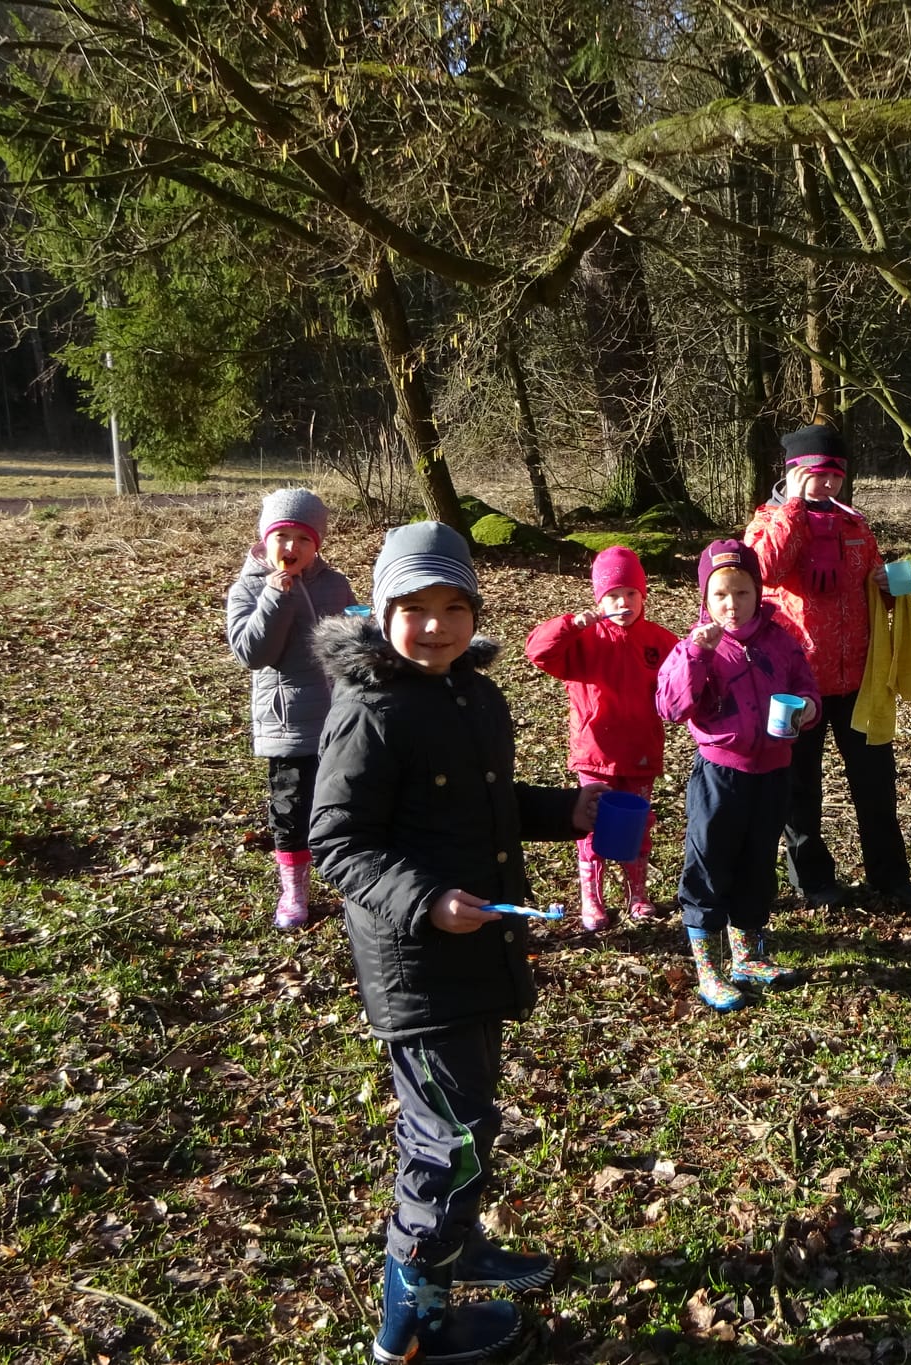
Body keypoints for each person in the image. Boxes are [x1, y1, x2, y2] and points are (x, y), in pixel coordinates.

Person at [309, 522, 605, 1364]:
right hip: (418, 963)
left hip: (479, 947)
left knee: (466, 1112)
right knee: (454, 1135)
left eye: (453, 606)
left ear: (475, 611)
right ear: (382, 612)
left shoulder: (474, 695)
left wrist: (564, 811)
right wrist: (427, 900)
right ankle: (410, 1328)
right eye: (415, 608)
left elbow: (486, 803)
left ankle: (458, 1244)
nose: (436, 625)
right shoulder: (370, 711)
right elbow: (338, 840)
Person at [744, 424, 911, 910]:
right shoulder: (767, 521)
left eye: (835, 476)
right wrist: (793, 508)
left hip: (859, 679)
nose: (827, 484)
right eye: (817, 474)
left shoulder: (854, 524)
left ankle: (891, 877)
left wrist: (890, 584)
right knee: (799, 788)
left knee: (876, 784)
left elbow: (881, 589)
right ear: (794, 472)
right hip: (794, 683)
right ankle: (814, 881)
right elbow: (763, 570)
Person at [655, 540, 821, 1012]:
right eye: (721, 595)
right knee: (710, 863)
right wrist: (695, 654)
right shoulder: (696, 647)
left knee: (757, 862)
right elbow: (670, 706)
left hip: (773, 772)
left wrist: (809, 708)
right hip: (720, 775)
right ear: (706, 599)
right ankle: (709, 967)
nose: (732, 604)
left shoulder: (780, 641)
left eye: (742, 593)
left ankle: (747, 957)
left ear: (758, 592)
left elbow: (805, 686)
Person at [525, 546, 679, 930]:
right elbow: (538, 651)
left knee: (637, 824)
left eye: (631, 593)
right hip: (596, 752)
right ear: (599, 600)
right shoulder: (584, 640)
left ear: (643, 595)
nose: (623, 603)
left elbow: (683, 678)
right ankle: (592, 898)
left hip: (640, 751)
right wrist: (572, 624)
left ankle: (637, 894)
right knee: (592, 823)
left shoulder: (659, 641)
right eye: (613, 595)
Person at [224, 487, 357, 931]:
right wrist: (273, 597)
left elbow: (350, 644)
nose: (291, 547)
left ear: (316, 543)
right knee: (292, 809)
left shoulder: (335, 584)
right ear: (265, 540)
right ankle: (295, 891)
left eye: (303, 538)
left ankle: (354, 884)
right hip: (290, 722)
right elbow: (252, 654)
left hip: (341, 716)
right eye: (282, 537)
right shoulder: (248, 588)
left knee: (348, 802)